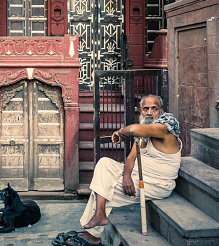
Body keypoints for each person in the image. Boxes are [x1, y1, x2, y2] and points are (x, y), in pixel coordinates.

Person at [59, 95, 181, 246]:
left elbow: (134, 128)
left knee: (103, 188)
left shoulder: (164, 129)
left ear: (161, 112)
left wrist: (120, 133)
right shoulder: (145, 135)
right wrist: (127, 176)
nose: (150, 113)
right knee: (104, 163)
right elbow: (130, 158)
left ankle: (93, 234)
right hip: (140, 176)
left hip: (159, 184)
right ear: (140, 112)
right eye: (146, 109)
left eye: (154, 109)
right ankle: (99, 214)